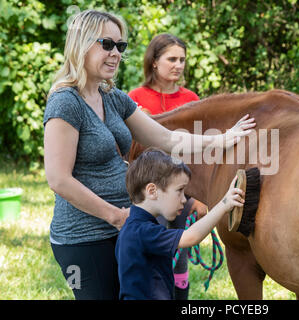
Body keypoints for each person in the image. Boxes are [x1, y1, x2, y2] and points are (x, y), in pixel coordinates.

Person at [43, 9, 255, 300]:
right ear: (81, 43)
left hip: (128, 229)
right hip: (85, 237)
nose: (116, 53)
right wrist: (116, 216)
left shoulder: (111, 97)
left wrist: (222, 139)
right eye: (107, 44)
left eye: (121, 46)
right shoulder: (65, 102)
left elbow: (166, 139)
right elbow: (58, 178)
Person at [128, 33, 206, 300]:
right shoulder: (135, 99)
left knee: (180, 252)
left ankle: (180, 298)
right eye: (171, 59)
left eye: (182, 59)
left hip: (184, 190)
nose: (179, 65)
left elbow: (199, 156)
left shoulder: (193, 100)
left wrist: (196, 198)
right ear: (154, 62)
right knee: (156, 251)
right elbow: (130, 153)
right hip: (149, 190)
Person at [116, 148, 245, 300]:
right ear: (152, 191)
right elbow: (191, 237)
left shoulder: (132, 227)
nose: (184, 199)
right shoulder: (143, 232)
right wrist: (224, 204)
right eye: (180, 191)